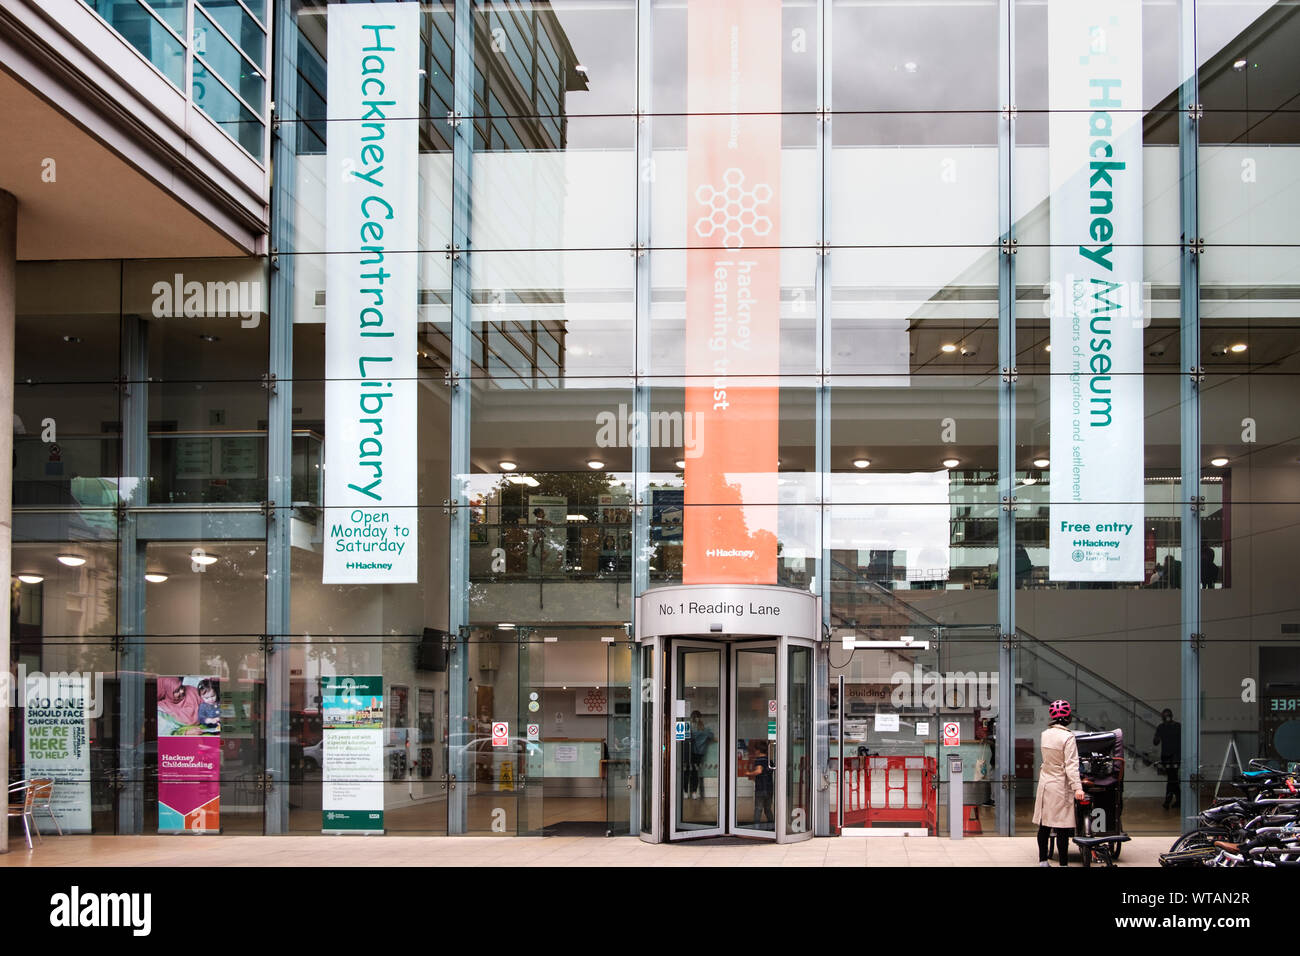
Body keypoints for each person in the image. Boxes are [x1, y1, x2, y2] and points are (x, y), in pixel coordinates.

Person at [1032, 699, 1085, 867]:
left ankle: (1042, 861)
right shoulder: (1068, 737)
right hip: (1060, 785)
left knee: (1044, 825)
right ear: (1068, 717)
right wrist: (1077, 787)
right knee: (1062, 827)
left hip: (1045, 783)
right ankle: (1063, 864)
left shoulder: (1045, 734)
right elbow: (1071, 765)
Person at [1154, 708, 1181, 810]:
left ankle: (1168, 801)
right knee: (1173, 779)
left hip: (1175, 757)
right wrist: (1157, 737)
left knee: (1171, 779)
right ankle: (1178, 800)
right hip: (1167, 757)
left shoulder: (1177, 726)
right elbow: (1155, 742)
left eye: (1167, 715)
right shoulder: (1162, 727)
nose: (1167, 718)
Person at [685, 709, 715, 800]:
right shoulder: (705, 729)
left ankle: (685, 792)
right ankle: (694, 792)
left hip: (688, 752)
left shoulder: (689, 727)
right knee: (695, 772)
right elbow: (712, 737)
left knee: (686, 772)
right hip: (699, 754)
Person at [745, 738, 774, 826]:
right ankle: (772, 825)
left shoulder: (759, 760)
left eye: (755, 750)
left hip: (761, 788)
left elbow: (759, 771)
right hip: (769, 788)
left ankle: (756, 826)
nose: (755, 752)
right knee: (768, 808)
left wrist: (749, 773)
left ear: (758, 751)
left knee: (758, 808)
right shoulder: (770, 761)